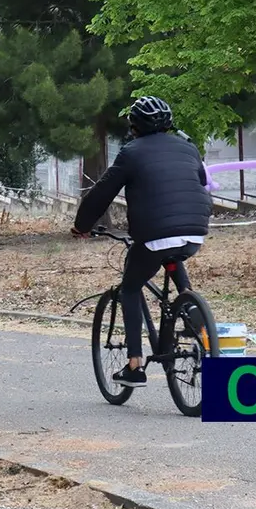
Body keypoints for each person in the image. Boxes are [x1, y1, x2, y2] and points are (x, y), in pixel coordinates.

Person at [71, 96, 212, 388]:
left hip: (154, 236)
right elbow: (199, 179)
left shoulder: (130, 153)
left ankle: (134, 365)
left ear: (134, 126)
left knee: (131, 287)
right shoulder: (188, 147)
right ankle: (189, 304)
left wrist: (81, 226)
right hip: (195, 230)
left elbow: (102, 193)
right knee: (172, 252)